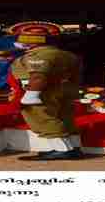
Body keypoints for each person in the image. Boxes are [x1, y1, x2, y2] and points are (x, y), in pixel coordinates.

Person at [8, 21, 83, 161]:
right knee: (64, 118)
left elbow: (38, 76)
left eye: (23, 38)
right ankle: (73, 147)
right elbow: (76, 75)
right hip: (64, 89)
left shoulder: (38, 55)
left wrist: (31, 95)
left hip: (42, 91)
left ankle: (62, 150)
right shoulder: (66, 54)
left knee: (42, 119)